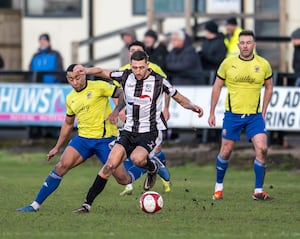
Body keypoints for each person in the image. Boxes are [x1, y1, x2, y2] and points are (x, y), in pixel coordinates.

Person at [72, 50, 204, 213]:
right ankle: (86, 205)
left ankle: (151, 167)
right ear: (131, 65)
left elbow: (178, 96)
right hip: (128, 131)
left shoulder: (159, 81)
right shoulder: (125, 75)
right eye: (135, 67)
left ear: (147, 65)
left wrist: (193, 107)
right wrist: (84, 70)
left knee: (137, 159)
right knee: (110, 166)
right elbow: (101, 72)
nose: (138, 71)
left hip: (150, 131)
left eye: (141, 67)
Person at [16, 64, 139, 212]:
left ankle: (142, 166)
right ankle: (34, 205)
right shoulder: (71, 98)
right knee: (61, 166)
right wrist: (57, 147)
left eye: (77, 78)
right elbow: (68, 124)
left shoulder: (99, 86)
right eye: (70, 79)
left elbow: (121, 94)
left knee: (122, 179)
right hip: (83, 139)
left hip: (105, 139)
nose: (75, 82)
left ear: (84, 75)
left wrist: (116, 111)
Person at [208, 30, 273, 201]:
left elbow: (269, 87)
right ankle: (218, 188)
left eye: (248, 42)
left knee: (263, 148)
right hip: (232, 116)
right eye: (242, 43)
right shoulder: (228, 63)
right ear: (238, 45)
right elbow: (216, 87)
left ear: (254, 45)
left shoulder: (263, 64)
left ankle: (258, 190)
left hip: (254, 117)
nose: (245, 46)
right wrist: (212, 112)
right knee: (226, 151)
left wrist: (263, 111)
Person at [118, 40, 171, 195]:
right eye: (132, 50)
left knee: (149, 152)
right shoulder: (124, 71)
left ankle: (157, 168)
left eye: (137, 50)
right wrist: (119, 110)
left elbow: (166, 89)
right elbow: (118, 93)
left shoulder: (155, 71)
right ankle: (129, 185)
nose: (134, 52)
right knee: (128, 152)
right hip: (129, 119)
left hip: (151, 122)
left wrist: (166, 108)